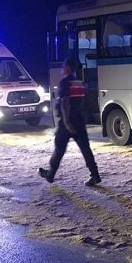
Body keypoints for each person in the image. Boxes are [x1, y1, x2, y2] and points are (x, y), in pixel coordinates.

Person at [38, 58, 101, 186]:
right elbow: (86, 102)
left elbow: (65, 101)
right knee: (85, 149)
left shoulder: (65, 83)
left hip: (67, 122)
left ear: (68, 68)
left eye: (63, 65)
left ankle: (51, 174)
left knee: (59, 148)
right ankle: (95, 175)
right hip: (80, 120)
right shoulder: (80, 83)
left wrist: (67, 122)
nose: (62, 68)